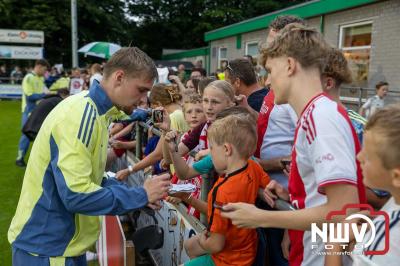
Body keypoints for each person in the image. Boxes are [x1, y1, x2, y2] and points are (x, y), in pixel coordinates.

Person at [8, 47, 171, 266]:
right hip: (48, 250)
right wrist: (139, 196)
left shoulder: (95, 109)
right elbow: (76, 195)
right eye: (141, 90)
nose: (144, 99)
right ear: (119, 77)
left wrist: (138, 197)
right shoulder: (81, 115)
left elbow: (94, 180)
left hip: (61, 246)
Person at [221, 24, 366, 266]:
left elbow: (344, 210)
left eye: (269, 70)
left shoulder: (322, 117)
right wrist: (293, 197)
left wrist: (261, 217)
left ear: (289, 65)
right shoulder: (315, 114)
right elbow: (325, 199)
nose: (267, 81)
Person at [182, 114, 270, 266]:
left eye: (211, 148)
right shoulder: (254, 166)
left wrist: (204, 239)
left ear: (226, 149)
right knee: (189, 245)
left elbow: (216, 245)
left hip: (225, 260)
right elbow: (268, 185)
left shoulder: (222, 190)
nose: (209, 153)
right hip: (247, 250)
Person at [325, 105, 400, 266]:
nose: (359, 157)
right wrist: (378, 220)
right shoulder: (395, 200)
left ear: (396, 177)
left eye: (368, 156)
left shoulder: (386, 244)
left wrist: (336, 241)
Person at [321, 47, 390, 209]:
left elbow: (384, 197)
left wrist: (336, 186)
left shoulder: (361, 129)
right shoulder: (308, 122)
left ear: (328, 83)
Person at [115, 83, 189, 180]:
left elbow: (158, 154)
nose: (152, 112)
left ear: (158, 104)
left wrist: (129, 170)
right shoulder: (181, 112)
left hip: (181, 175)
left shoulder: (173, 117)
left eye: (153, 109)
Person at [16, 59, 50, 167]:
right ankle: (19, 159)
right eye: (44, 69)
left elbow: (45, 92)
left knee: (41, 136)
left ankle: (40, 161)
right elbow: (29, 96)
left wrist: (48, 94)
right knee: (26, 134)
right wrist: (45, 95)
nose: (45, 72)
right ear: (39, 66)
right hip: (29, 111)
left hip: (38, 111)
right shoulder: (29, 78)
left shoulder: (40, 79)